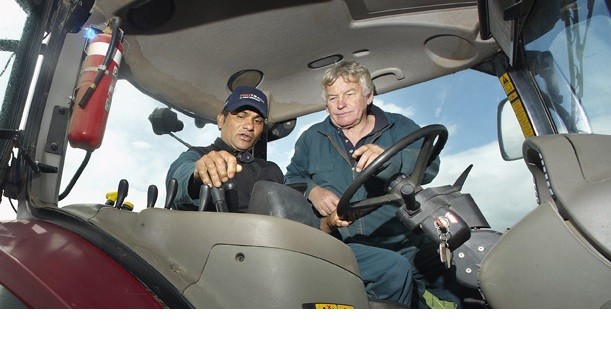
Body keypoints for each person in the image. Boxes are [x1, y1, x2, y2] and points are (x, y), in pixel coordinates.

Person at [284, 60, 461, 308]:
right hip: (347, 244)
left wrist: (392, 159)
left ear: (368, 96)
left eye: (349, 94)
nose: (340, 103)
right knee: (393, 272)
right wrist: (313, 191)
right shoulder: (311, 139)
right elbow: (292, 178)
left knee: (461, 270)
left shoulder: (399, 127)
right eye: (332, 97)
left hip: (405, 238)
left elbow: (429, 165)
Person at [167, 86, 283, 212]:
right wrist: (198, 174)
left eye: (258, 121)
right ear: (221, 120)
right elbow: (177, 176)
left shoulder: (272, 170)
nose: (250, 126)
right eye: (241, 116)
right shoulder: (197, 155)